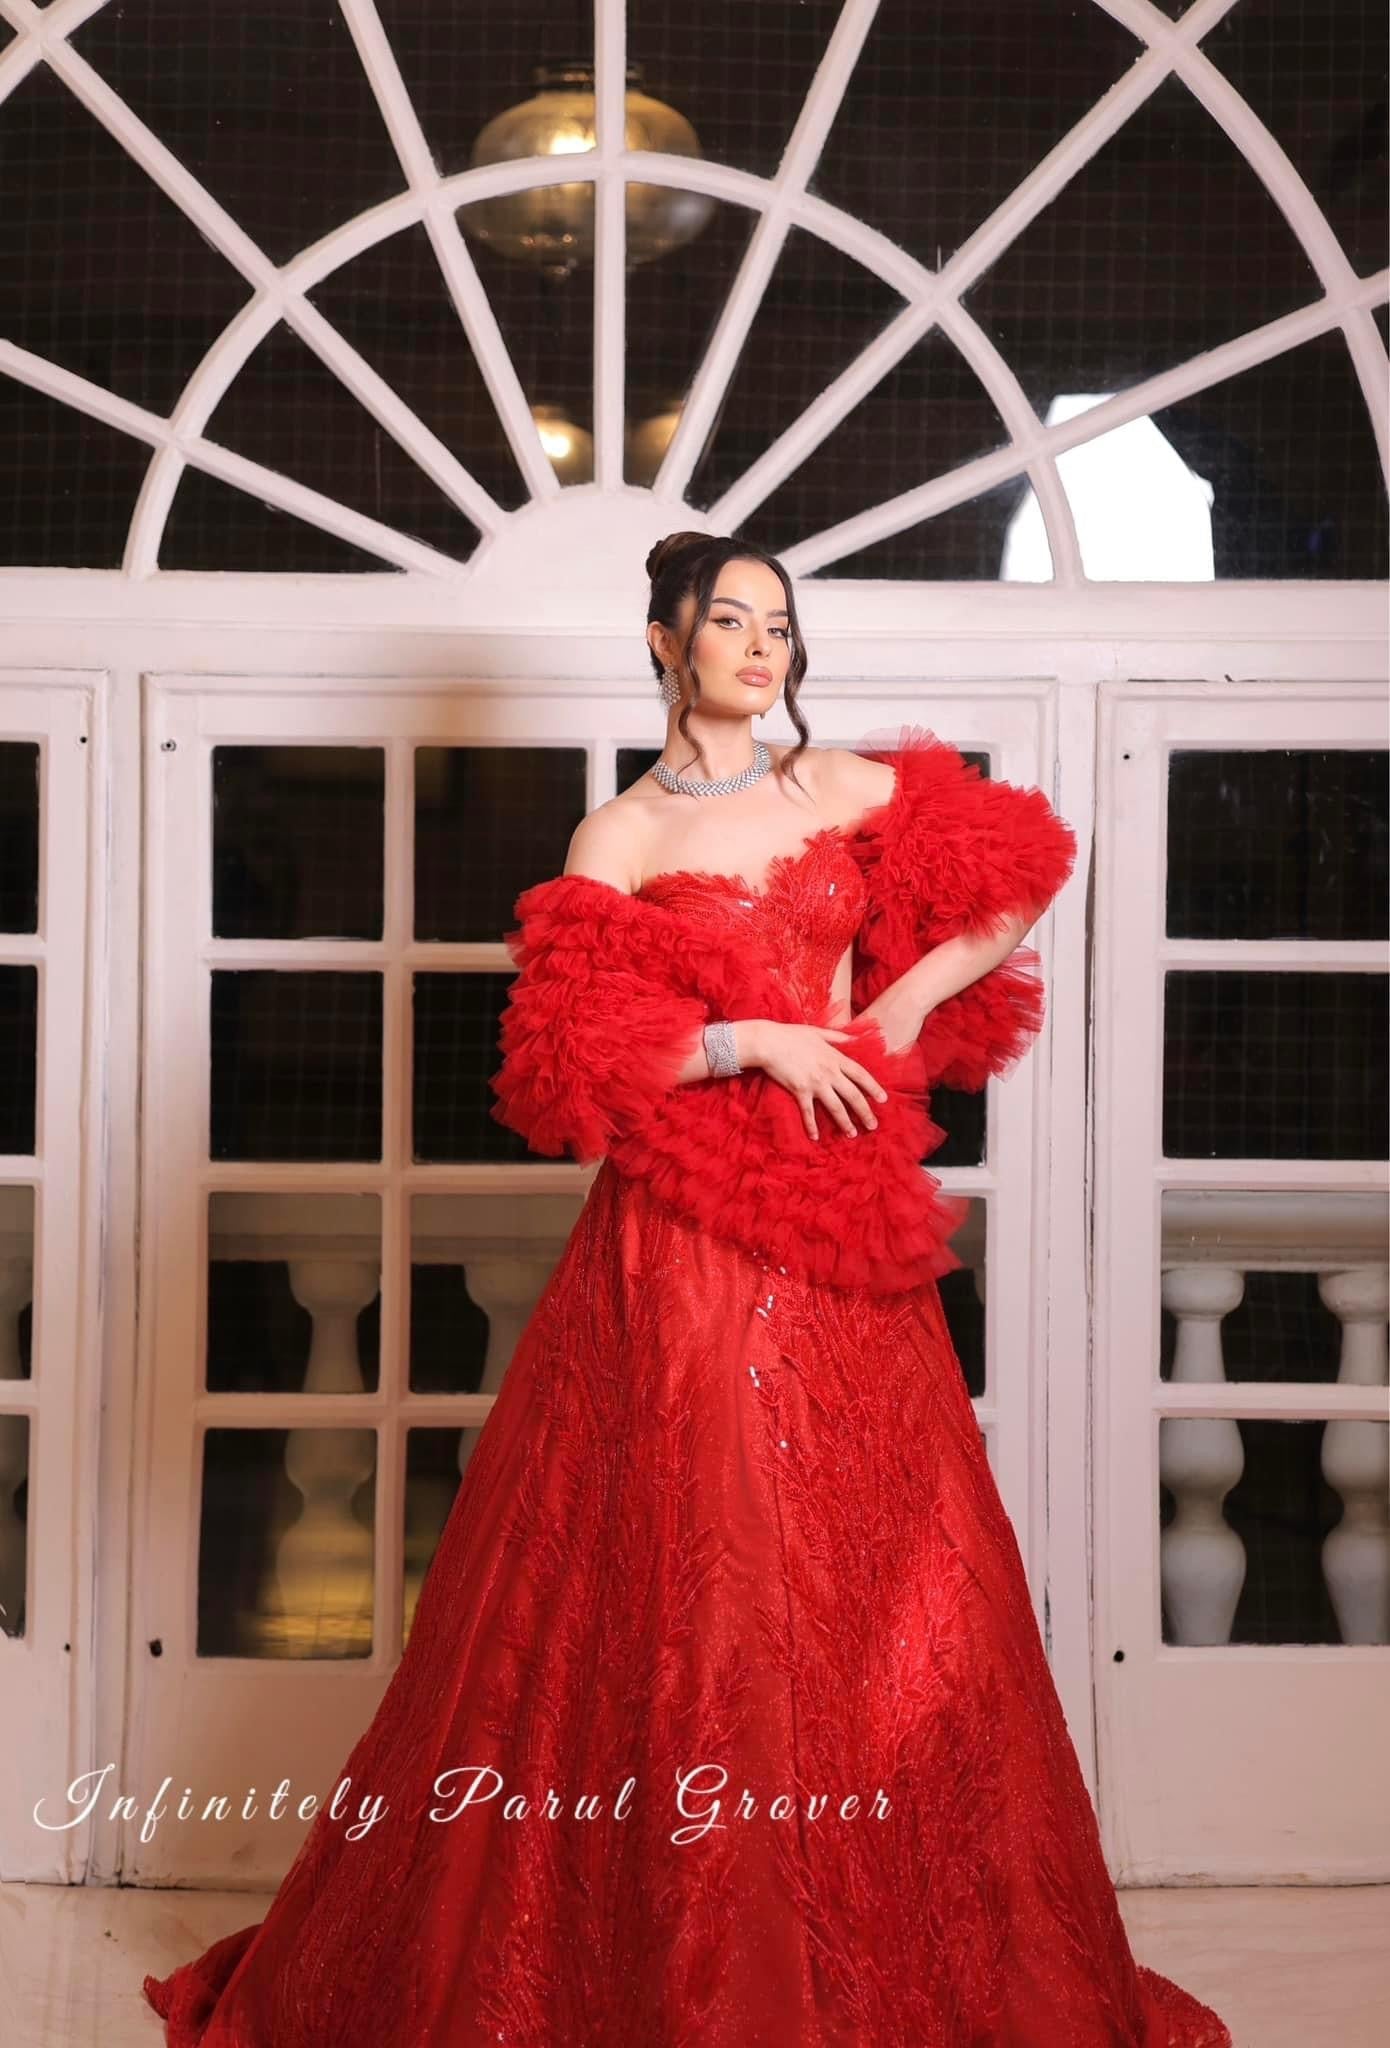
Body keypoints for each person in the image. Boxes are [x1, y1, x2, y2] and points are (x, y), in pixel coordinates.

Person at [143, 531, 1232, 2045]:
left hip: (840, 1229)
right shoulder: (621, 837)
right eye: (727, 620)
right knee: (685, 1558)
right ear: (664, 642)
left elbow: (1021, 872)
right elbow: (574, 1065)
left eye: (778, 622)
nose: (758, 645)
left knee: (880, 1563)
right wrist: (755, 1043)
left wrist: (898, 1001)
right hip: (681, 1243)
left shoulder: (842, 787)